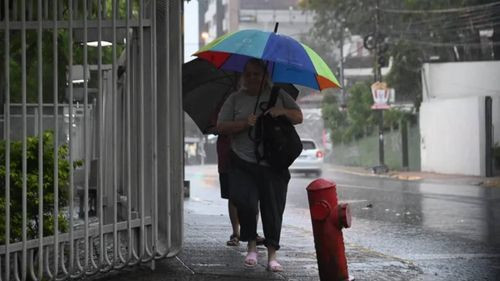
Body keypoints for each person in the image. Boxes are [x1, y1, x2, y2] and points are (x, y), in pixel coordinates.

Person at [217, 58, 303, 272]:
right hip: (242, 162)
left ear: (265, 76)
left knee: (273, 209)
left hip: (273, 164)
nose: (253, 78)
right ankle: (252, 246)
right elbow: (220, 126)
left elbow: (298, 116)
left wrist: (280, 111)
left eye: (257, 74)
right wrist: (244, 123)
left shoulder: (277, 95)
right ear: (243, 77)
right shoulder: (235, 99)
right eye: (249, 74)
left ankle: (272, 254)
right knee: (244, 202)